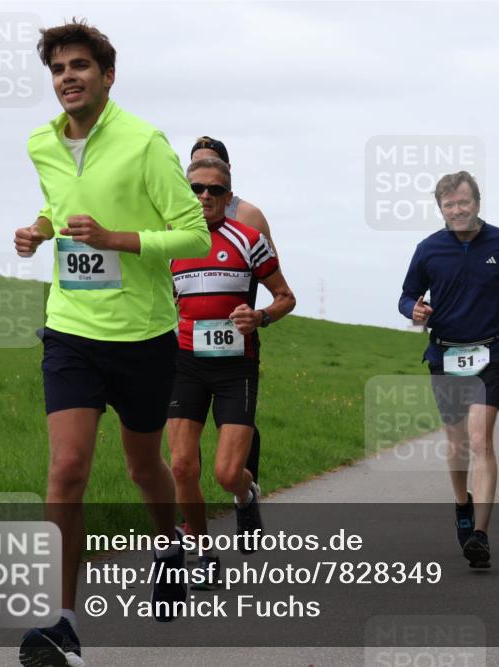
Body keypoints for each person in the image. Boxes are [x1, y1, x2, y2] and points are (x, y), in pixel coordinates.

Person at [14, 19, 211, 666]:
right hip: (71, 328)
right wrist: (41, 229)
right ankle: (59, 621)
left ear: (107, 75)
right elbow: (57, 197)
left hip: (143, 335)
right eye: (58, 68)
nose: (67, 76)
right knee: (66, 468)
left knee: (142, 465)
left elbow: (192, 235)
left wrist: (118, 239)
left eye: (79, 66)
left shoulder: (145, 143)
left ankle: (168, 540)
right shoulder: (41, 142)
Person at [398, 171, 499, 568]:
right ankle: (462, 503)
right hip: (445, 355)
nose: (457, 210)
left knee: (480, 441)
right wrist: (414, 308)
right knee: (459, 442)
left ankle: (480, 533)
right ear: (441, 209)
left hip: (489, 353)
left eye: (463, 202)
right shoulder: (429, 249)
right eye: (449, 205)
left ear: (477, 203)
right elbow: (406, 294)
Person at [167, 157, 295, 585]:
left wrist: (260, 318)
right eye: (196, 189)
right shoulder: (169, 242)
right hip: (184, 363)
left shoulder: (249, 239)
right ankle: (204, 555)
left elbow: (285, 296)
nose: (205, 196)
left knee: (225, 474)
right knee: (182, 466)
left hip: (236, 366)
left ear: (228, 195)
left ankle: (246, 492)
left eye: (215, 190)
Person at [184, 136, 275, 496]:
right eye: (195, 170)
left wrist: (255, 316)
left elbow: (269, 271)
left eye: (212, 166)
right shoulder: (179, 213)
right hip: (188, 341)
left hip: (235, 333)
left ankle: (244, 491)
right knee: (183, 442)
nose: (205, 188)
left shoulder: (248, 215)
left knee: (233, 423)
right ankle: (192, 516)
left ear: (228, 174)